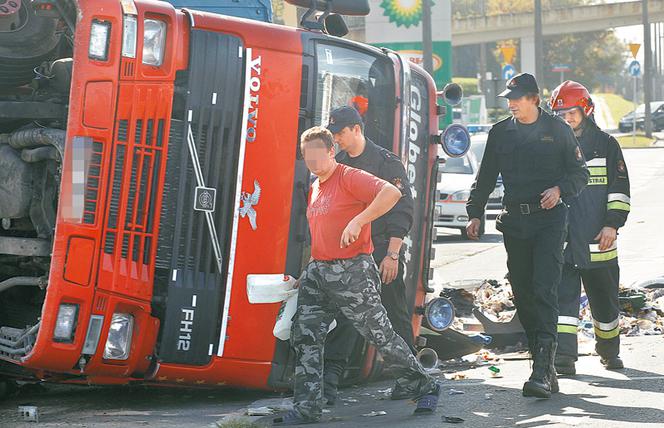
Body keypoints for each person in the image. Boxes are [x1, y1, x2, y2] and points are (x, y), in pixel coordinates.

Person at [273, 127, 440, 425]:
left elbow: (393, 192)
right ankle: (307, 407)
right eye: (306, 155)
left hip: (352, 272)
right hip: (318, 273)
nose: (311, 160)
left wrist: (359, 220)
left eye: (316, 154)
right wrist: (307, 269)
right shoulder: (315, 186)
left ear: (331, 151)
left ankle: (424, 384)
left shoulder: (348, 177)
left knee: (379, 334)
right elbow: (321, 232)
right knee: (305, 334)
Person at [465, 73, 589, 399]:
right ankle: (544, 365)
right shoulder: (501, 132)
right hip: (515, 224)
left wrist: (561, 189)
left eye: (517, 98)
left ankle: (541, 369)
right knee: (523, 294)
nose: (511, 104)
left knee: (544, 289)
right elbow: (486, 174)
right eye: (509, 99)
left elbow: (580, 173)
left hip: (550, 221)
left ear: (534, 98)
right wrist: (475, 212)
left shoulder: (557, 130)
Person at [322, 105, 416, 404]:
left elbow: (402, 209)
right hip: (349, 254)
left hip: (380, 250)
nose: (336, 138)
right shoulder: (336, 165)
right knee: (347, 314)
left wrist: (392, 254)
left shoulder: (386, 162)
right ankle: (329, 383)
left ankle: (411, 377)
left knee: (395, 316)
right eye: (333, 133)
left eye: (340, 132)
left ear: (357, 129)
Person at [549, 80, 630, 375]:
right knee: (563, 305)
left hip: (599, 240)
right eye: (561, 114)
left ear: (586, 110)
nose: (567, 119)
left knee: (605, 303)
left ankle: (609, 352)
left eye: (571, 113)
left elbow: (620, 190)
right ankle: (564, 359)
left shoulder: (606, 145)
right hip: (564, 241)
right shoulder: (553, 147)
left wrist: (612, 225)